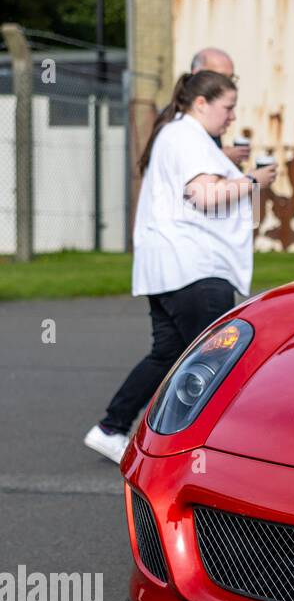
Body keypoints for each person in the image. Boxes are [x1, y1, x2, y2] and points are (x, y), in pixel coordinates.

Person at [84, 71, 275, 464]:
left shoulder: (178, 135)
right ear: (201, 103)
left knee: (169, 355)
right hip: (194, 269)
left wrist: (235, 173)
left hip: (169, 268)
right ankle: (218, 452)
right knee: (222, 365)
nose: (232, 117)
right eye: (228, 107)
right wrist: (253, 179)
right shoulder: (186, 136)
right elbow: (204, 195)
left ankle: (112, 427)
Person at [190, 47, 247, 166]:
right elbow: (200, 182)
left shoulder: (207, 120)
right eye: (227, 108)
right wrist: (254, 182)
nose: (233, 117)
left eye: (231, 78)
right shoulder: (180, 124)